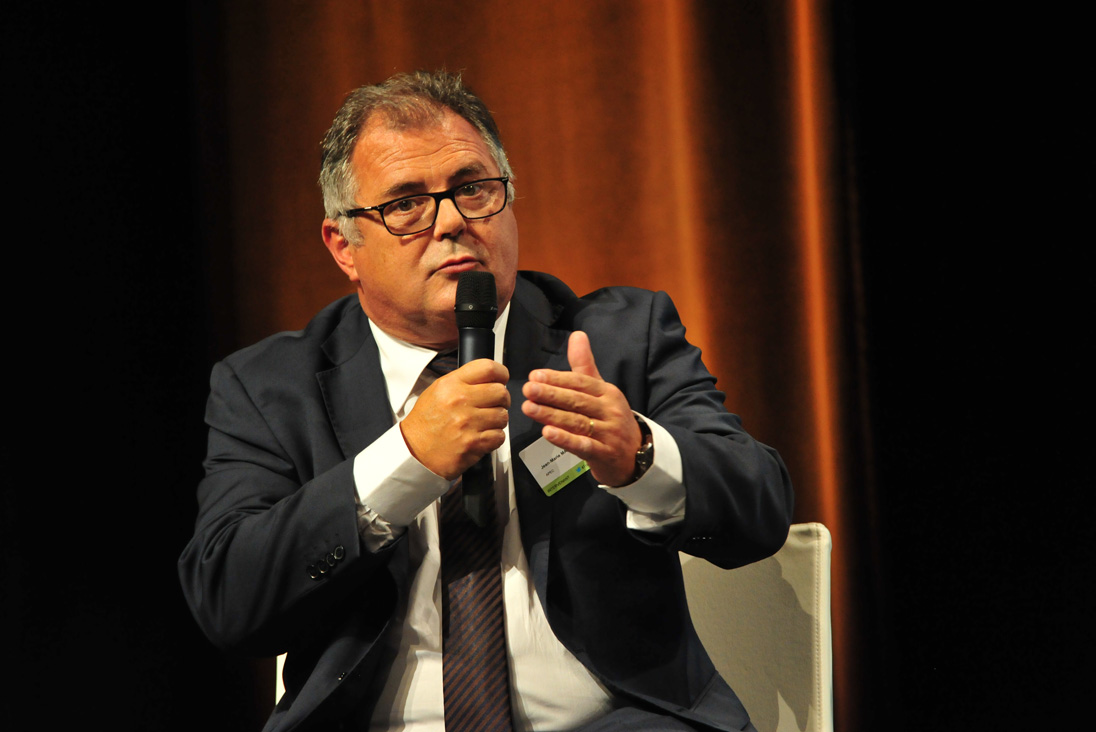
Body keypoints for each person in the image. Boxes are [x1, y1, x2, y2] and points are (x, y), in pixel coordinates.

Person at [179, 70, 793, 732]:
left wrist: (639, 454)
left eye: (472, 189)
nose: (451, 222)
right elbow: (229, 601)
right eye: (406, 204)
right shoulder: (270, 386)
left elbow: (759, 511)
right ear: (344, 247)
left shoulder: (619, 340)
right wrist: (405, 461)